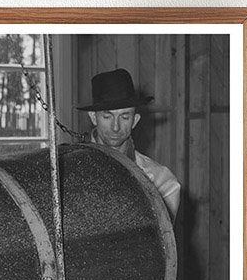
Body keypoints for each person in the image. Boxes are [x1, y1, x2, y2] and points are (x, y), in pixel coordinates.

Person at [78, 68, 181, 222]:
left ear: (135, 120)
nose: (115, 127)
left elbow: (158, 235)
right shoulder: (70, 173)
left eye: (124, 117)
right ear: (93, 117)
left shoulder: (161, 182)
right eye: (107, 117)